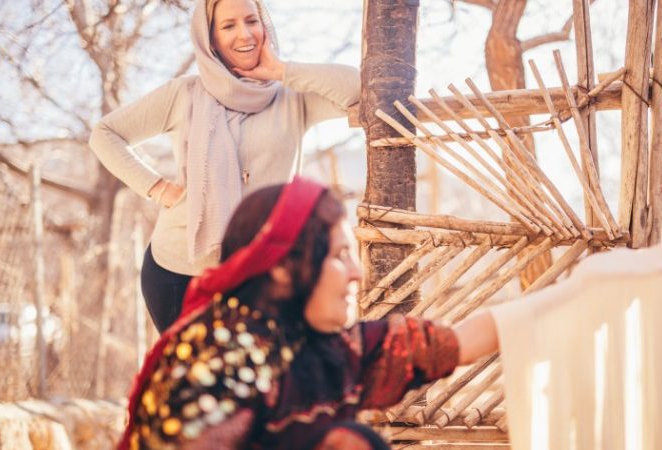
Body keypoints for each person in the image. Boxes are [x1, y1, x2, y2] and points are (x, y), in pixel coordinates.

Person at [118, 177, 499, 449]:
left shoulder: (315, 346)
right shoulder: (218, 367)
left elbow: (454, 343)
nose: (357, 273)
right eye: (339, 256)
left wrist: (555, 308)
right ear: (284, 269)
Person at [88, 0, 360, 332]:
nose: (244, 34)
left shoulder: (292, 96)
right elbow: (104, 134)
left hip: (261, 272)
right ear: (211, 39)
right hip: (179, 273)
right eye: (228, 26)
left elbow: (360, 89)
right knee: (191, 379)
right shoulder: (184, 93)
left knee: (255, 379)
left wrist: (281, 71)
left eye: (251, 21)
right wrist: (157, 188)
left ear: (265, 26)